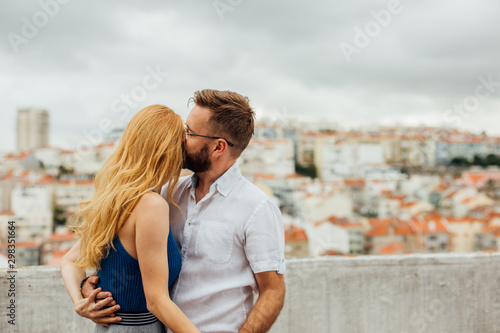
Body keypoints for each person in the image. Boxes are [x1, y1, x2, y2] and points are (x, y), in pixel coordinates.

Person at [79, 89, 287, 333]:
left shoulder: (257, 208)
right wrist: (87, 286)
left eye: (189, 132)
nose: (181, 138)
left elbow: (273, 290)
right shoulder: (168, 193)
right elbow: (113, 249)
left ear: (218, 147)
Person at [60, 105, 200, 333]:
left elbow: (69, 261)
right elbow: (156, 301)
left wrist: (79, 302)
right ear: (168, 151)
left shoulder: (117, 199)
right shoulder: (151, 205)